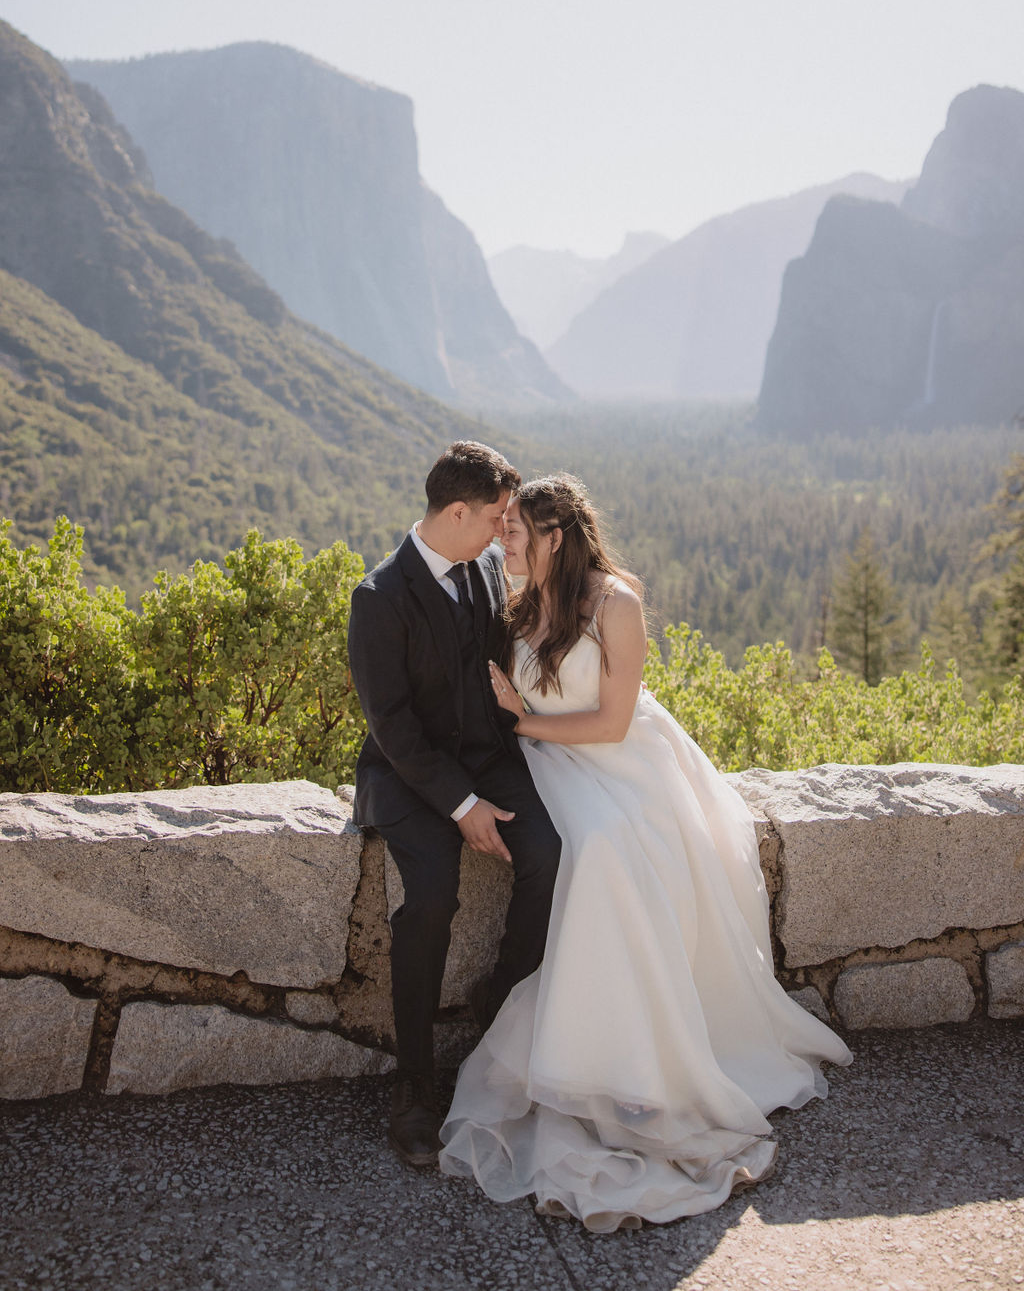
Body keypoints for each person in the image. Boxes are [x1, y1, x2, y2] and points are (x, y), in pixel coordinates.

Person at [438, 474, 852, 1232]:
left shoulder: (615, 602)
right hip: (550, 763)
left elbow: (611, 721)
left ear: (556, 535)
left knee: (604, 848)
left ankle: (631, 1063)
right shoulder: (520, 596)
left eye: (518, 532)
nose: (505, 542)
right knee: (579, 845)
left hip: (617, 760)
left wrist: (520, 719)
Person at [347, 441, 562, 1168]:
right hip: (407, 777)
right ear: (458, 511)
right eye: (499, 517)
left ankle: (498, 1001)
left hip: (487, 759)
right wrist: (462, 803)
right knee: (433, 891)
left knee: (549, 849)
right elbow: (394, 727)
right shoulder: (377, 597)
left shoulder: (485, 571)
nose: (507, 531)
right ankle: (414, 1085)